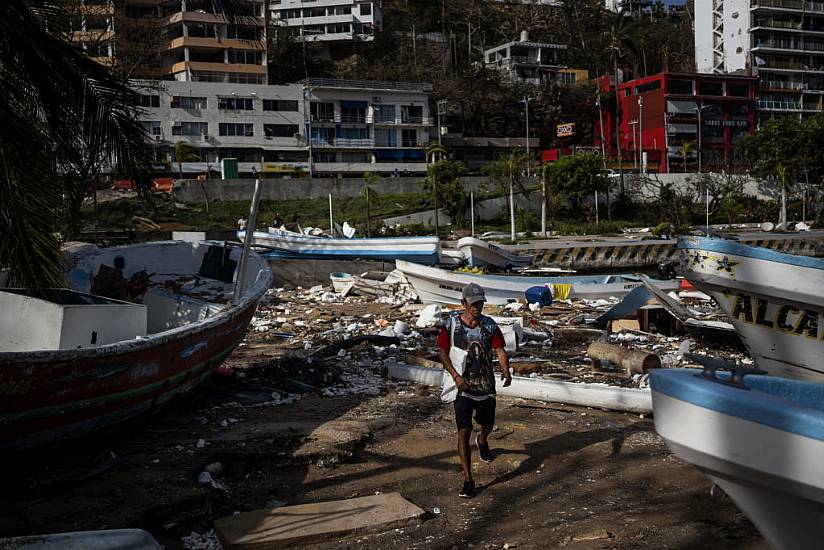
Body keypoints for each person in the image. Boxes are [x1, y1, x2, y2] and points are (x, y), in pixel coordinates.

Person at [438, 283, 511, 498]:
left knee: (487, 423)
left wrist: (506, 371)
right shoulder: (450, 325)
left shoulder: (489, 325)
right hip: (462, 386)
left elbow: (499, 349)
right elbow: (442, 353)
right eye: (473, 303)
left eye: (480, 303)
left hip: (486, 385)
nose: (477, 307)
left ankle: (483, 440)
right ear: (463, 303)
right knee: (463, 430)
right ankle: (468, 479)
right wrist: (455, 376)